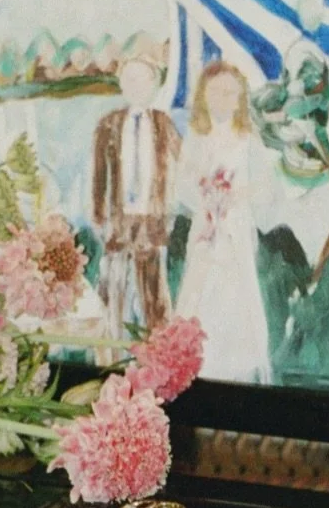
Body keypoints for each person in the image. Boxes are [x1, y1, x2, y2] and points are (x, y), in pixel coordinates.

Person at [174, 61, 273, 384]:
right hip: (206, 223)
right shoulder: (197, 137)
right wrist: (205, 198)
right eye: (215, 92)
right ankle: (197, 361)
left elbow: (264, 185)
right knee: (200, 287)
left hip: (235, 226)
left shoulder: (247, 139)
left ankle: (235, 363)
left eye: (230, 93)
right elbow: (182, 182)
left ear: (239, 98)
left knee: (233, 291)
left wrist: (235, 196)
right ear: (204, 96)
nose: (222, 98)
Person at [90, 46, 180, 339]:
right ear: (121, 84)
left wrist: (170, 212)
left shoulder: (163, 124)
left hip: (151, 217)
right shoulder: (109, 124)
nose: (137, 87)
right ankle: (110, 339)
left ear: (155, 85)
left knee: (153, 287)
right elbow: (99, 174)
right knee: (113, 283)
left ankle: (158, 344)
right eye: (130, 80)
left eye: (144, 80)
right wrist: (98, 214)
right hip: (119, 217)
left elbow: (180, 167)